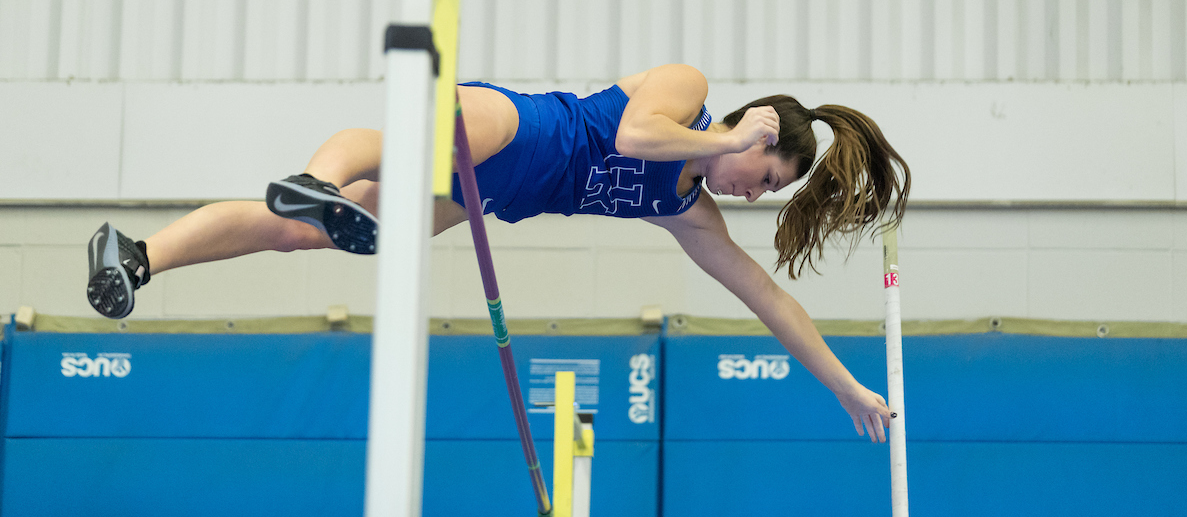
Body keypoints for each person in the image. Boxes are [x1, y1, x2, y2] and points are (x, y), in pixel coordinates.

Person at [85, 64, 909, 442]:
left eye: (768, 192)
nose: (751, 193)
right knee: (391, 150)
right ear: (752, 130)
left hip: (498, 196)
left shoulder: (684, 209)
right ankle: (316, 179)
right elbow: (632, 133)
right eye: (762, 175)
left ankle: (135, 254)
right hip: (521, 125)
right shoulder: (686, 90)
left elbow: (769, 298)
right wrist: (722, 132)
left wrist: (844, 388)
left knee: (304, 233)